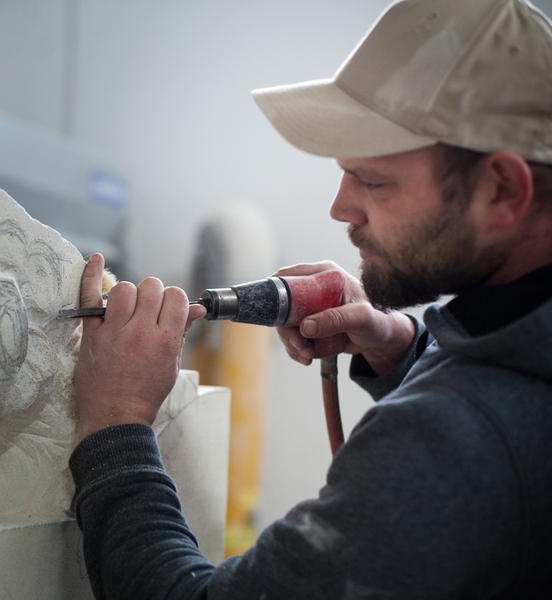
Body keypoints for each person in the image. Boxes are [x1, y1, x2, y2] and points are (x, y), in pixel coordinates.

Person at [68, 0, 552, 597]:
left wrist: (116, 419)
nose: (341, 208)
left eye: (372, 180)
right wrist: (405, 351)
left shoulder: (448, 441)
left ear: (502, 189)